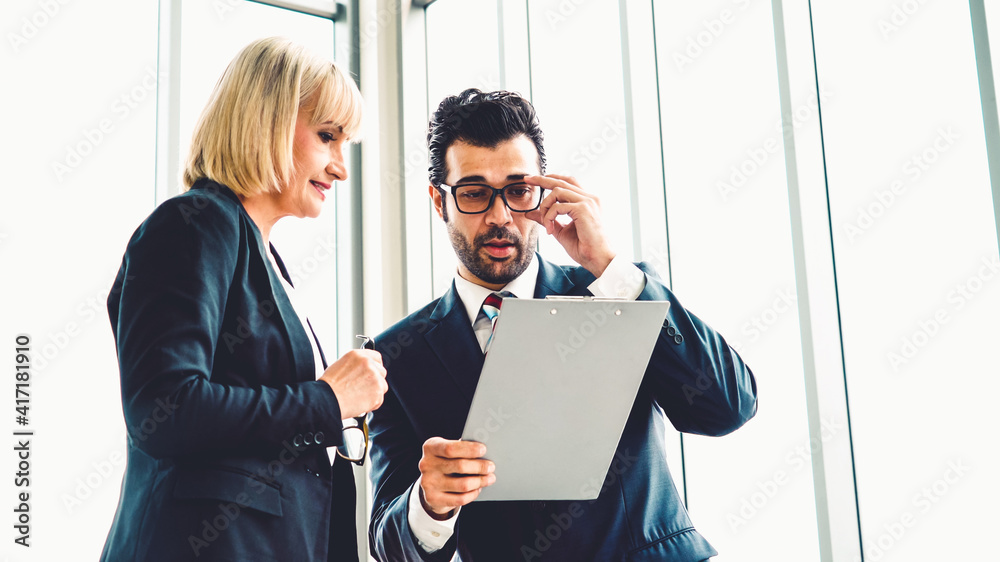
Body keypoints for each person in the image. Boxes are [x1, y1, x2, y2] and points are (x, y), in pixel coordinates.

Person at [367, 89, 758, 561]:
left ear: (543, 193)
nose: (500, 217)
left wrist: (607, 264)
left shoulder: (617, 290)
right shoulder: (395, 357)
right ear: (439, 201)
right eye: (473, 194)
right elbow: (391, 547)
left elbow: (727, 407)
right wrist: (429, 503)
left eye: (517, 191)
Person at [101, 37, 387, 562]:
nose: (340, 167)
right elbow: (163, 410)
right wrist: (327, 400)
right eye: (327, 137)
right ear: (268, 122)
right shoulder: (193, 224)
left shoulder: (261, 255)